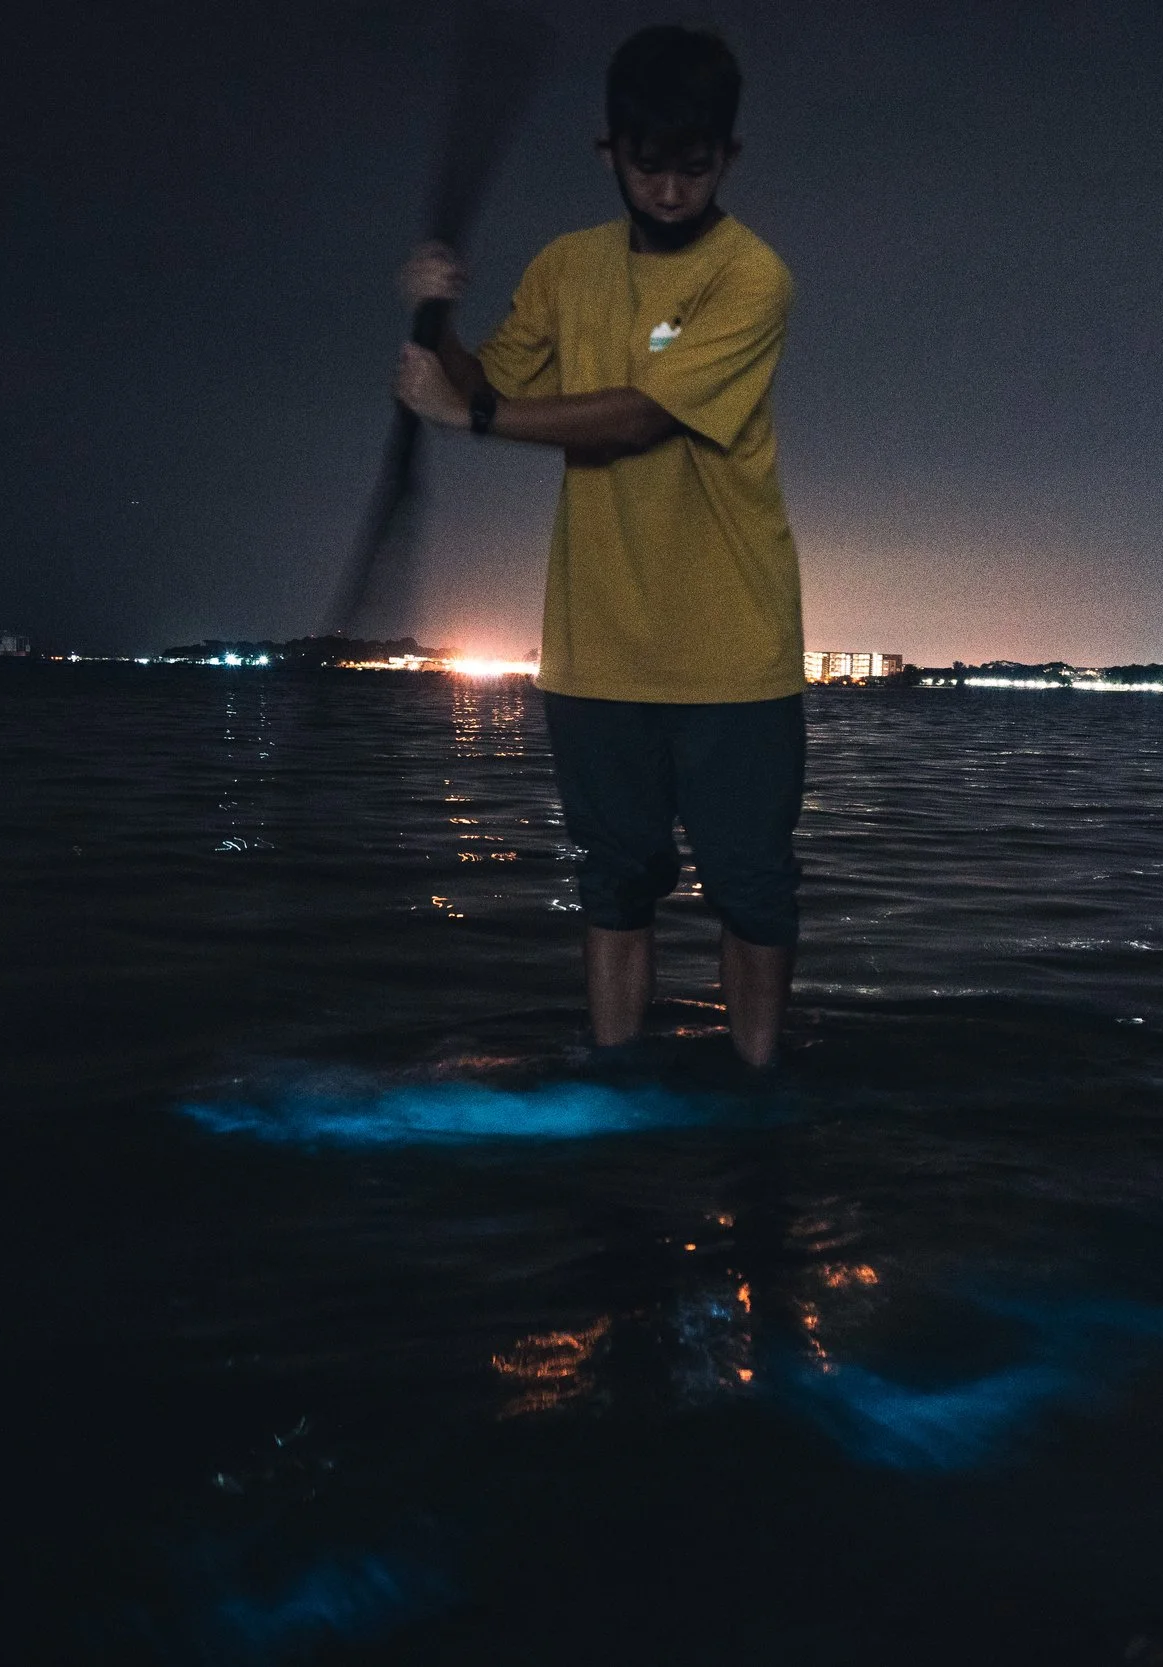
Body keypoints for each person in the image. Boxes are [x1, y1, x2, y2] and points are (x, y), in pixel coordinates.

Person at [392, 25, 804, 1070]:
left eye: (694, 166)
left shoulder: (752, 278)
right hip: (594, 651)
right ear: (608, 150)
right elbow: (491, 384)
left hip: (733, 655)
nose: (670, 190)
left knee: (751, 890)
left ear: (730, 157)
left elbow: (635, 419)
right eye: (648, 163)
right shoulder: (566, 267)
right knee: (614, 885)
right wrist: (435, 317)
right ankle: (619, 1087)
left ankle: (759, 1094)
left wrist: (466, 418)